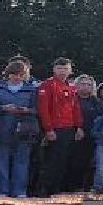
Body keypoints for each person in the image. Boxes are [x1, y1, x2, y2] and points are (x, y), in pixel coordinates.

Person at [0, 58, 41, 197]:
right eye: (14, 74)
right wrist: (3, 108)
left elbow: (37, 110)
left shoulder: (32, 89)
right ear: (8, 74)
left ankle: (19, 191)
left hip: (24, 129)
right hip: (2, 128)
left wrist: (26, 110)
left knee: (22, 161)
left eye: (21, 74)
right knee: (1, 161)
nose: (17, 77)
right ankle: (1, 191)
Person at [35, 58, 83, 196]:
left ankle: (56, 188)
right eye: (59, 68)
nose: (62, 71)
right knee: (52, 160)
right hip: (55, 128)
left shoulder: (71, 87)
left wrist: (79, 126)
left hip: (69, 127)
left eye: (65, 69)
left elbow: (75, 108)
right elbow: (43, 108)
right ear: (54, 69)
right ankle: (43, 189)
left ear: (70, 70)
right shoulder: (47, 85)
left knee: (64, 160)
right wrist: (48, 129)